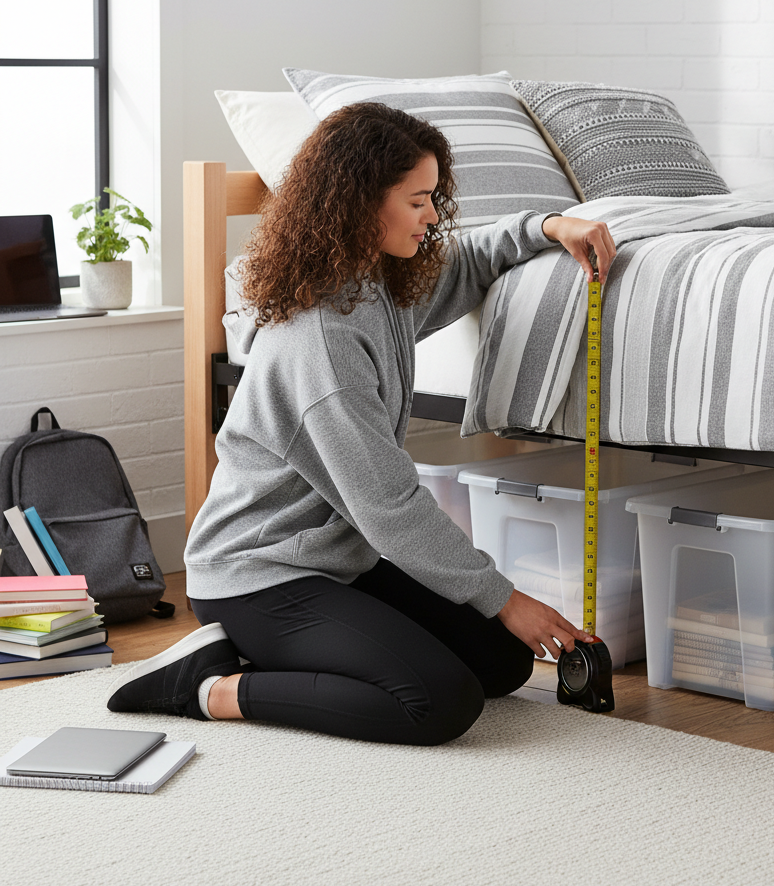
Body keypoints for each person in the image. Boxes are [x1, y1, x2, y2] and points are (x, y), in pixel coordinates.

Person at [106, 102, 616, 745]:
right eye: (418, 200)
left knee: (501, 662)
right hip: (259, 575)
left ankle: (300, 654)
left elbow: (466, 262)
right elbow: (390, 509)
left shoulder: (376, 283)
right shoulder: (322, 340)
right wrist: (506, 596)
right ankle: (207, 687)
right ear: (358, 204)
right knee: (438, 702)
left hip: (335, 561)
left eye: (433, 198)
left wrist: (547, 225)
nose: (433, 216)